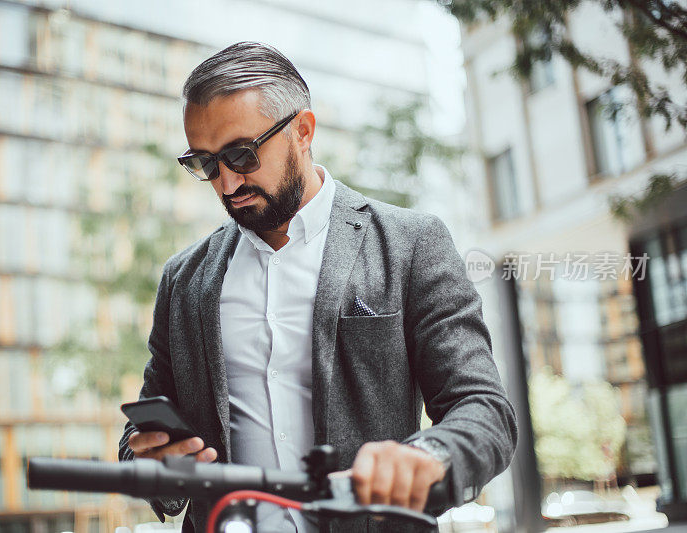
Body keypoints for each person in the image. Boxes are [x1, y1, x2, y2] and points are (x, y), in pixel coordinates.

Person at [118, 41, 517, 533]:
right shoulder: (185, 280)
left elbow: (484, 410)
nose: (225, 184)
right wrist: (151, 466)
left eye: (241, 155)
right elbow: (144, 432)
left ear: (303, 131)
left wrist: (430, 456)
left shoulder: (410, 244)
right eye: (204, 163)